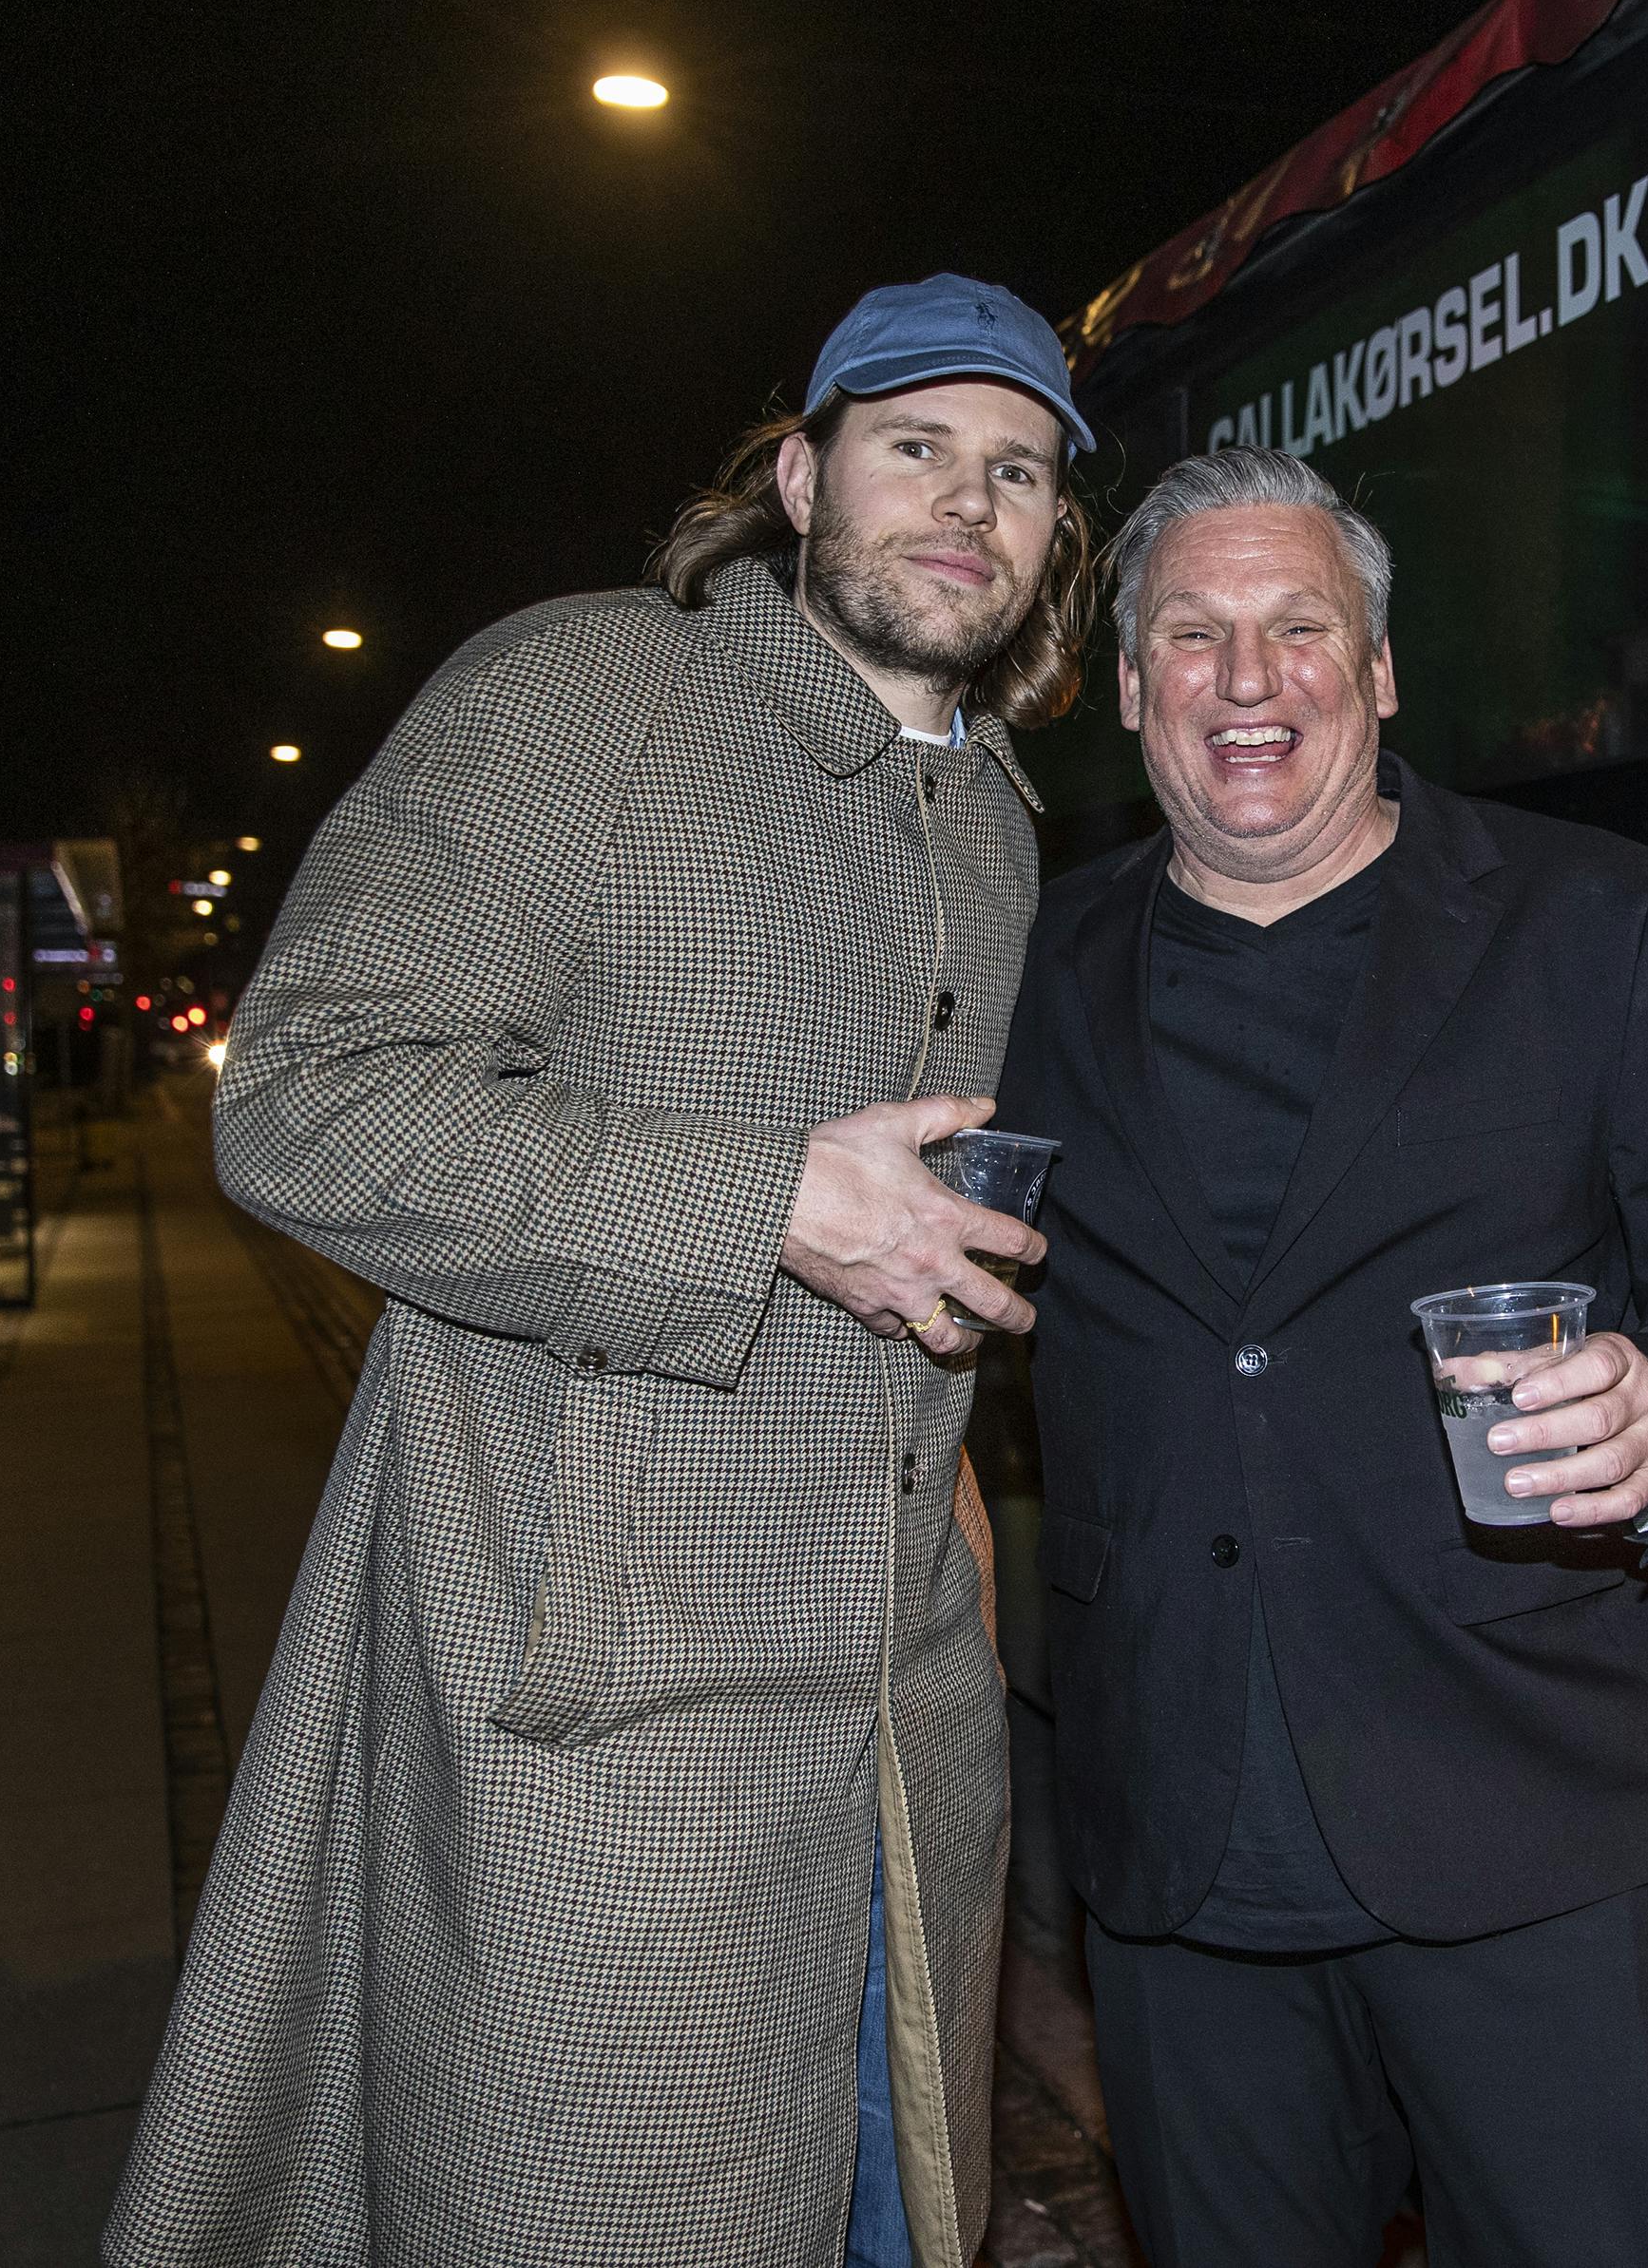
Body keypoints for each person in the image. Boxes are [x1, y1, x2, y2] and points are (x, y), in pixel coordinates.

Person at [105, 275, 1098, 2267]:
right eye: (914, 449)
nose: (965, 507)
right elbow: (300, 1096)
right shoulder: (590, 689)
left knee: (904, 2218)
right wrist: (761, 1207)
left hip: (908, 1737)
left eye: (1017, 475)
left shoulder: (995, 825)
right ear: (800, 473)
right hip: (597, 1729)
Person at [994, 447, 1648, 2267]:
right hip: (1178, 1849)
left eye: (1300, 628)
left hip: (1522, 1814)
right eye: (1192, 637)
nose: (1245, 679)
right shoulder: (1033, 964)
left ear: (1377, 673)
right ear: (1128, 691)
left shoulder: (1593, 918)